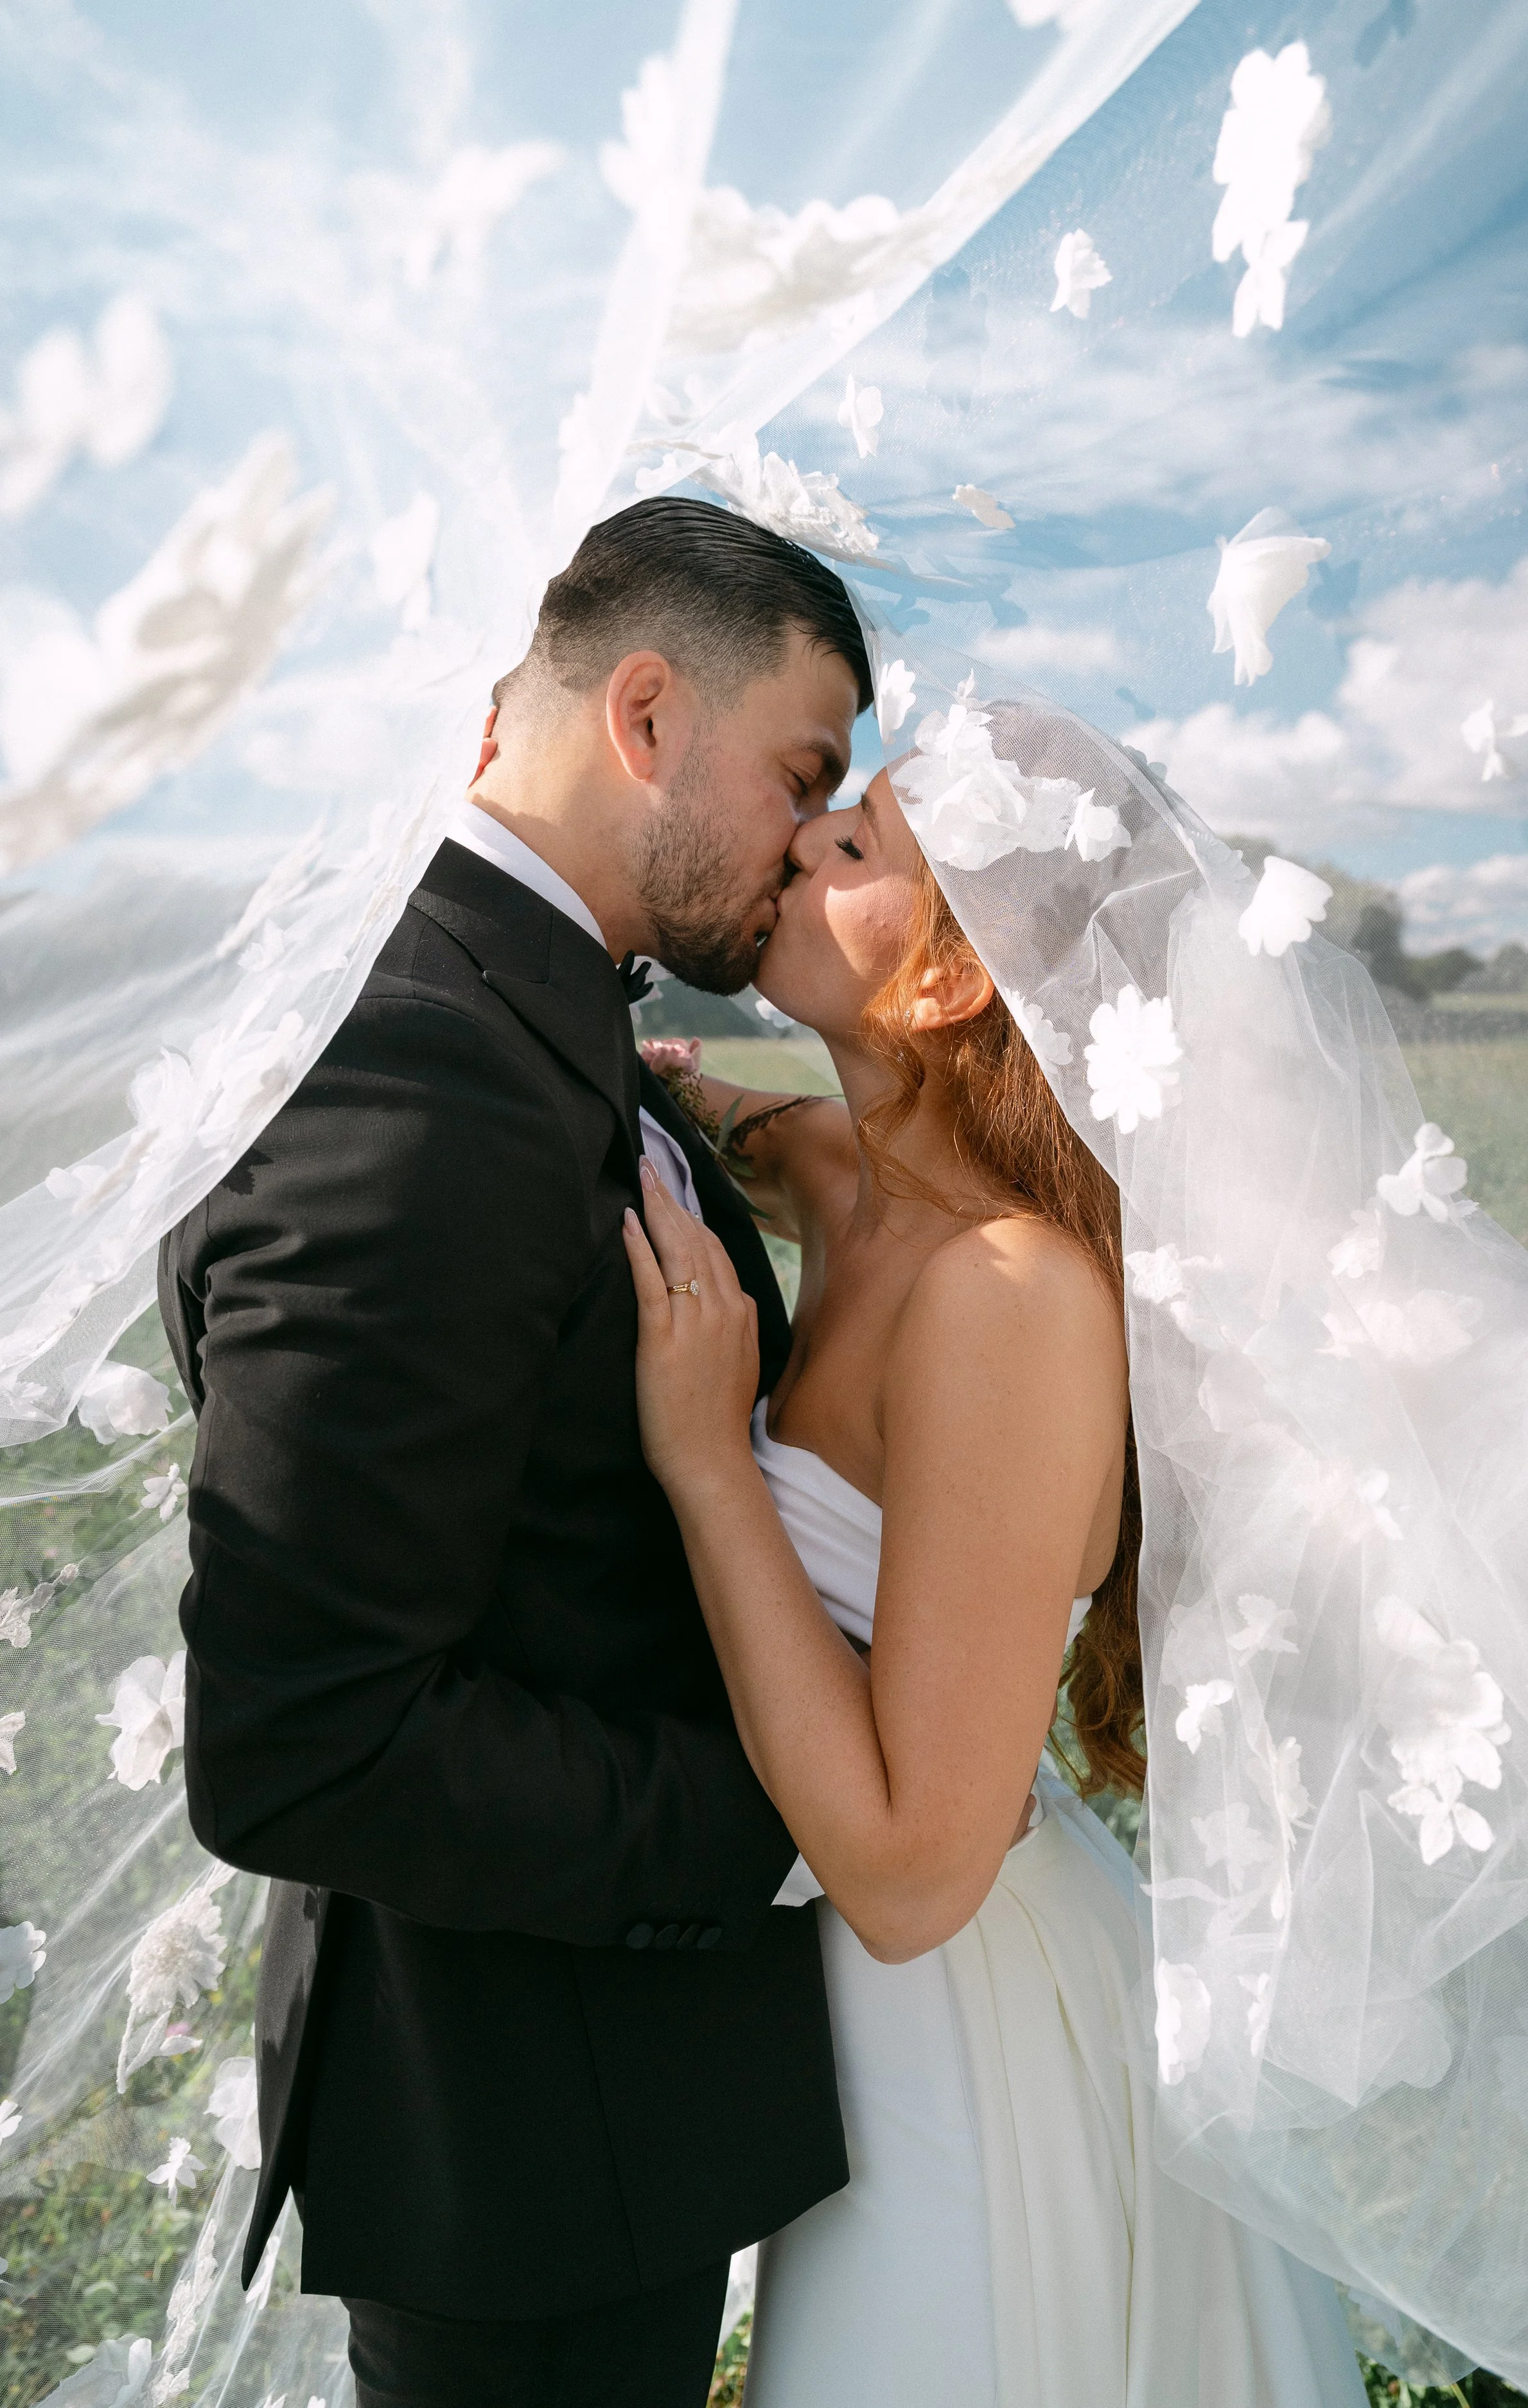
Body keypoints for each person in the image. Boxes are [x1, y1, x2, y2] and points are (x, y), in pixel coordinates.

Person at [156, 496, 870, 2408]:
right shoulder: (416, 1075)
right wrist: (772, 1822)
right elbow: (305, 1735)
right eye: (805, 769)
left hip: (592, 2112)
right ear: (646, 715)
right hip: (534, 2142)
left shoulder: (515, 1018)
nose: (816, 837)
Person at [622, 760, 1373, 2405]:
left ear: (953, 973)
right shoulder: (850, 1182)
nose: (792, 839)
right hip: (822, 2015)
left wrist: (703, 1466)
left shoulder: (1011, 1297)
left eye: (852, 839)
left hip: (952, 2032)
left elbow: (904, 1879)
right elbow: (732, 1121)